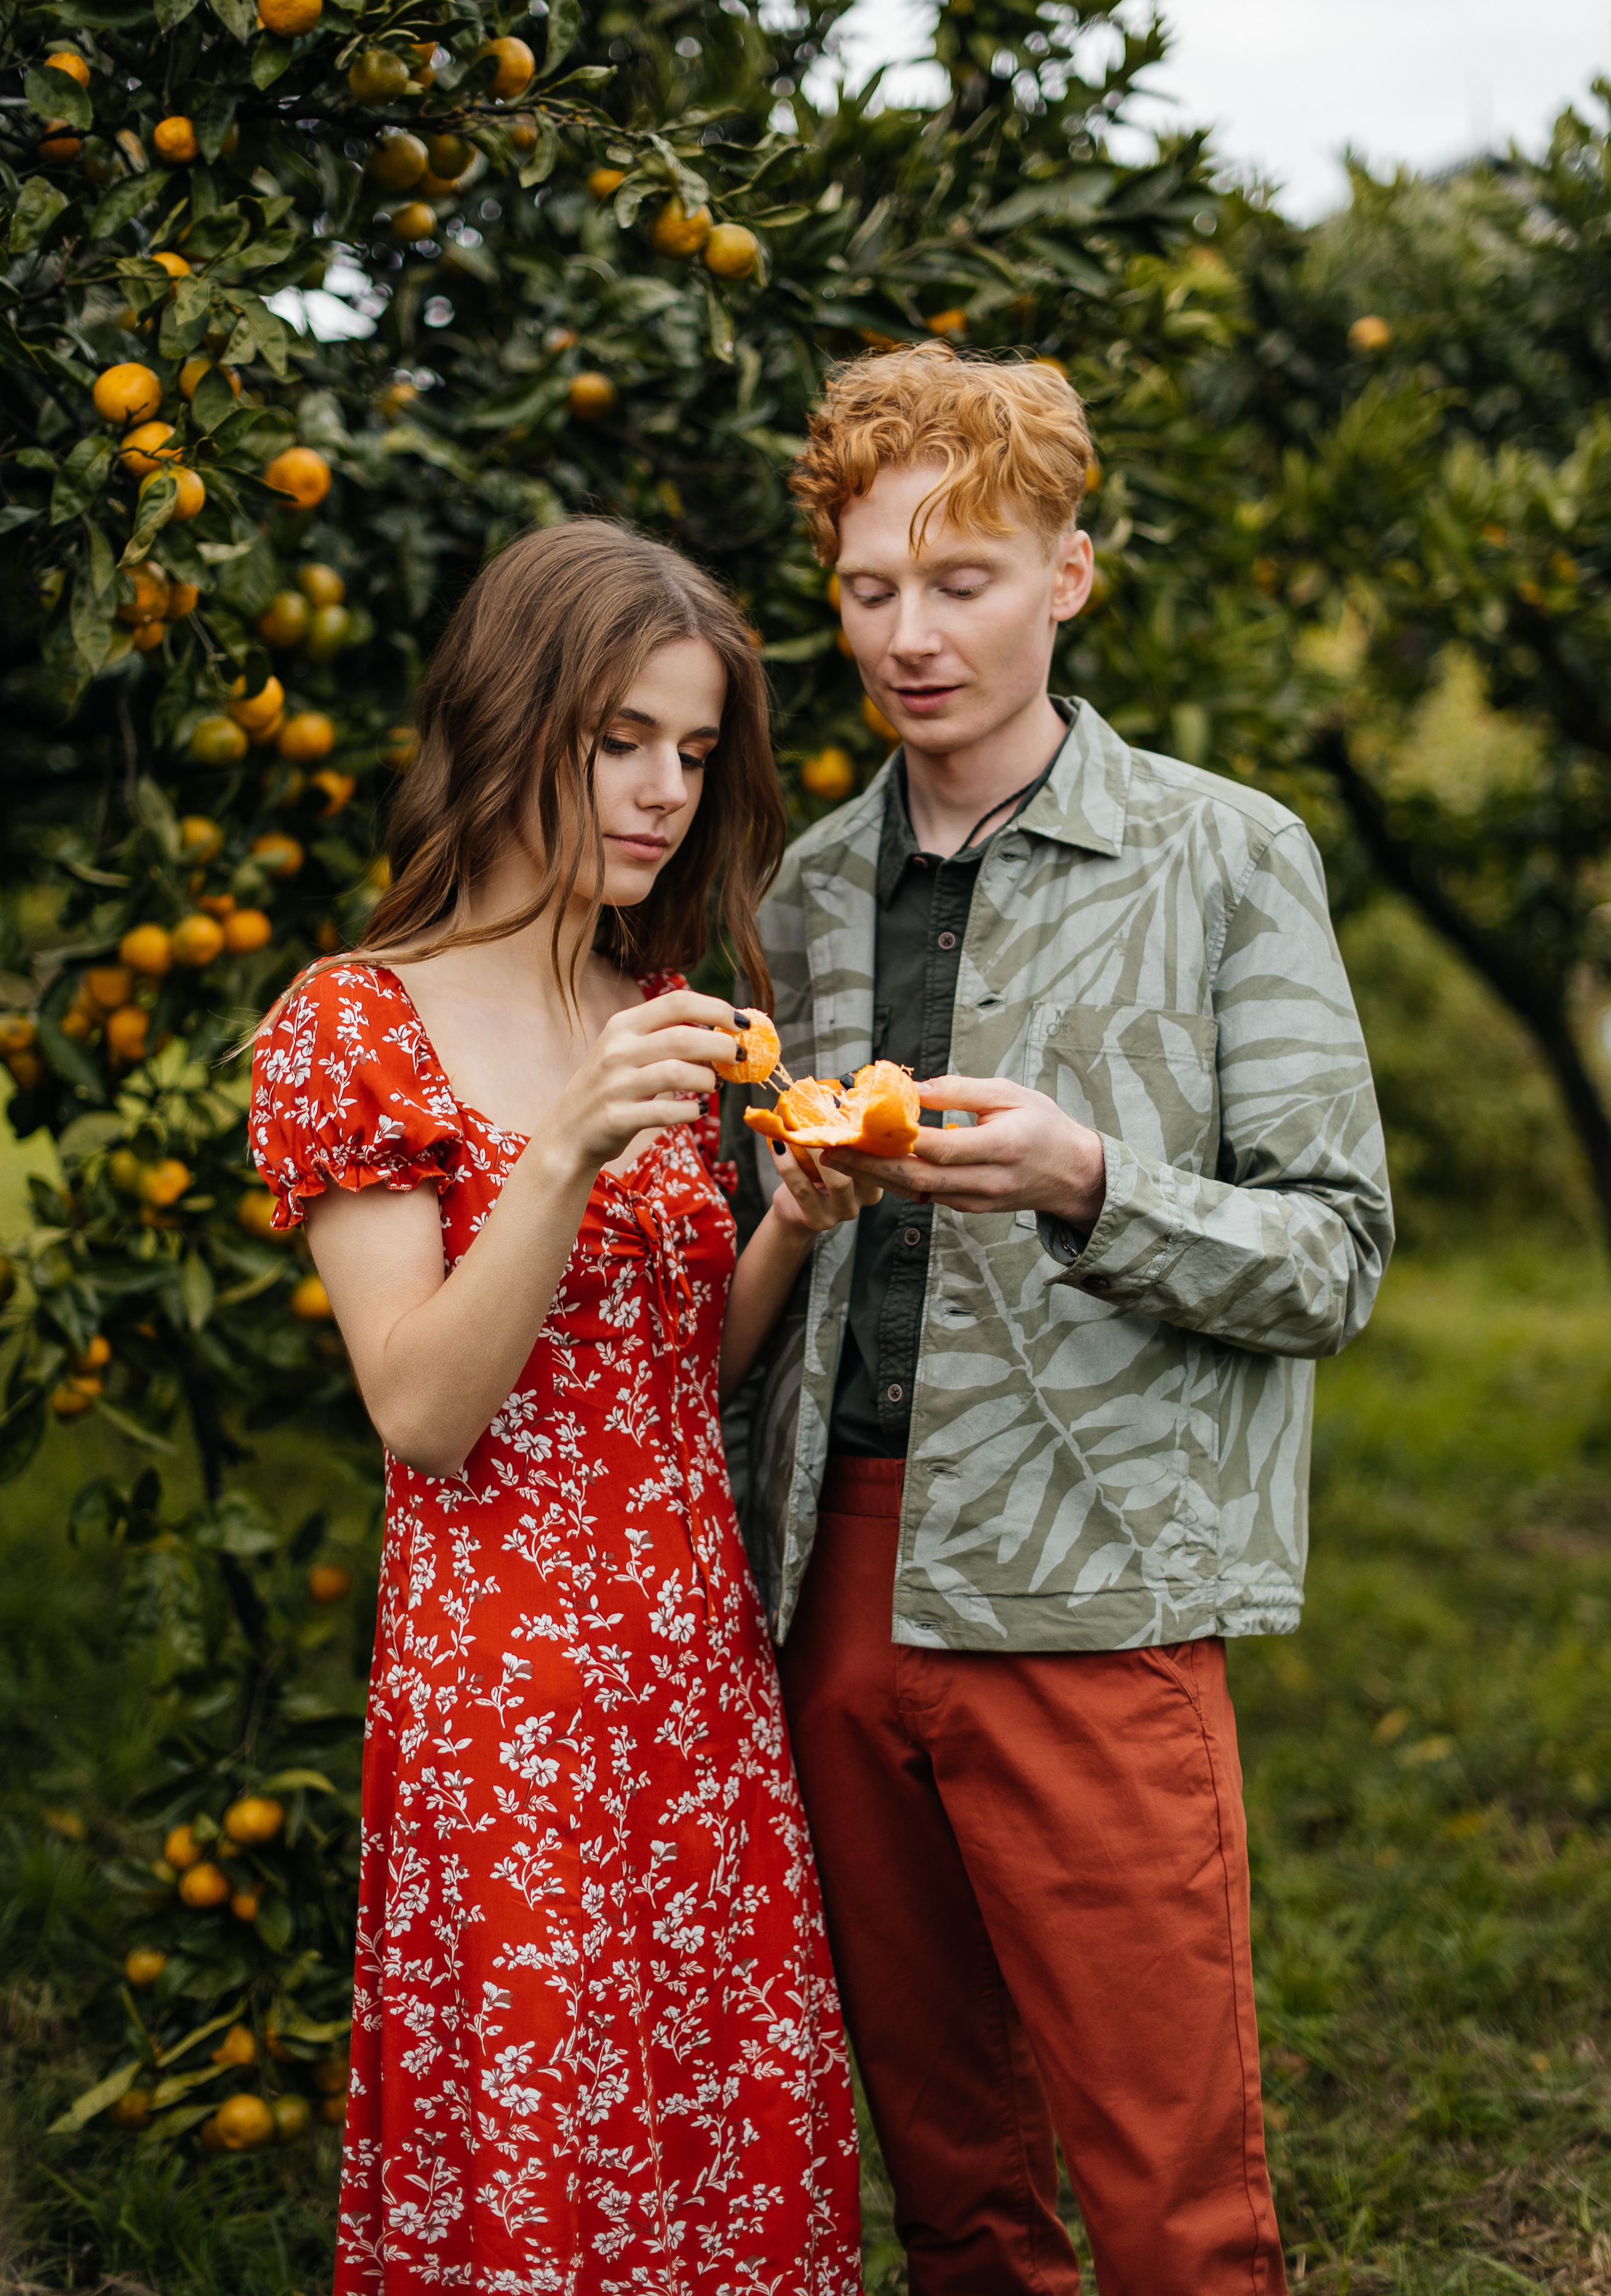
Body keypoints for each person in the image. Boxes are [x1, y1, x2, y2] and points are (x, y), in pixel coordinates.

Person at [723, 342, 1395, 2296]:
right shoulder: (808, 891)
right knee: (953, 2187)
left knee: (1175, 2200)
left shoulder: (1226, 852)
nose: (912, 635)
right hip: (836, 1575)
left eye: (966, 579)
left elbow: (1335, 1249)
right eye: (871, 591)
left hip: (1098, 1580)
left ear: (1067, 577)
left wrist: (1091, 1179)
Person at [249, 519, 868, 2296]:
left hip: (693, 1673)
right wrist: (576, 1144)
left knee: (716, 2135)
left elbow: (680, 1378)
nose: (666, 790)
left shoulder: (656, 1006)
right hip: (508, 1704)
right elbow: (425, 1410)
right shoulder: (354, 1028)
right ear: (513, 716)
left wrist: (791, 1235)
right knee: (546, 2155)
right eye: (621, 739)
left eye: (692, 749)